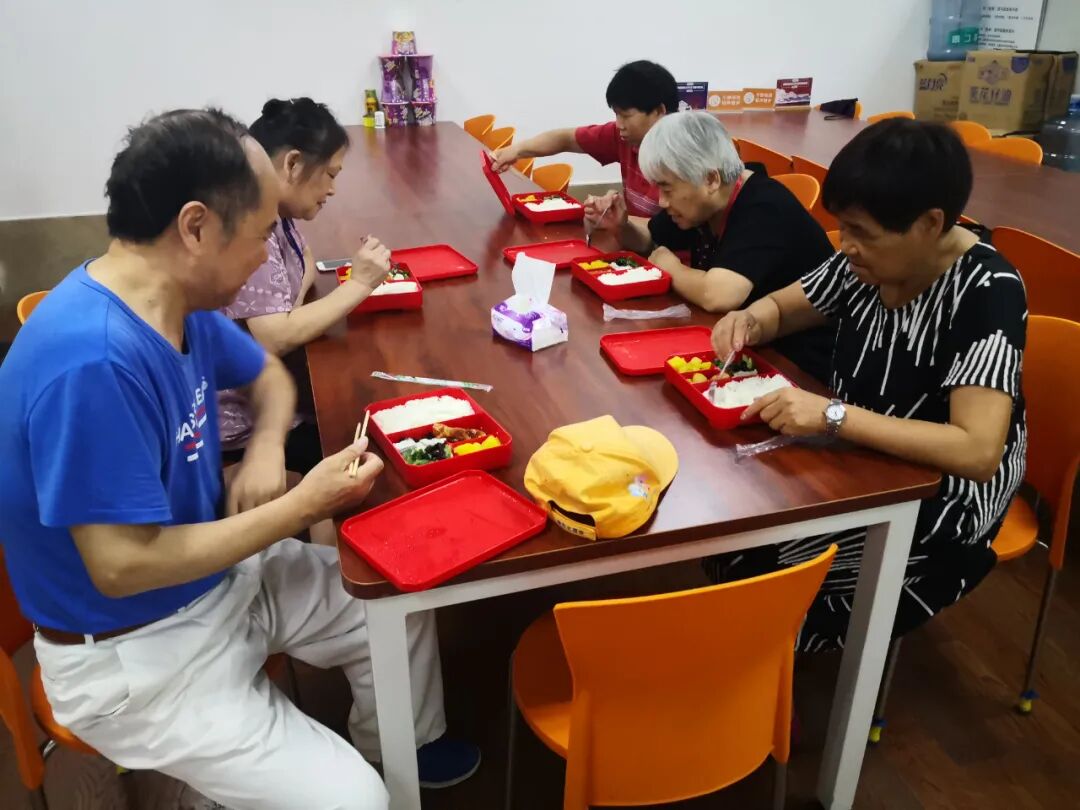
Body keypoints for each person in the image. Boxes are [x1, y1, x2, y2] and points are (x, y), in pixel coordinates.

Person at [0, 108, 479, 810]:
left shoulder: (176, 301)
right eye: (259, 235)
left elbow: (268, 377)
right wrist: (301, 505)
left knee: (393, 605)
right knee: (355, 802)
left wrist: (263, 447)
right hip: (137, 651)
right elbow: (122, 566)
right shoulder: (92, 362)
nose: (264, 259)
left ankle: (397, 752)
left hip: (215, 582)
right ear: (196, 228)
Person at [706, 118, 1027, 651]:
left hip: (940, 498)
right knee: (733, 532)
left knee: (765, 578)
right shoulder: (865, 264)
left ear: (930, 224)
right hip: (860, 458)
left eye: (862, 233)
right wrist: (751, 319)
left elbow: (976, 451)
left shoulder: (986, 290)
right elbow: (783, 308)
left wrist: (833, 416)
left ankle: (774, 666)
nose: (847, 246)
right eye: (844, 229)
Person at [587, 111, 836, 383]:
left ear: (711, 179)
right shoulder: (705, 201)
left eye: (667, 189)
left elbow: (719, 294)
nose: (661, 201)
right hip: (745, 346)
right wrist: (621, 226)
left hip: (801, 367)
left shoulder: (765, 207)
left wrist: (670, 267)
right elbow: (650, 239)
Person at [220, 97, 391, 475]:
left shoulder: (277, 214)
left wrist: (289, 310)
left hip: (275, 397)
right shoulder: (253, 226)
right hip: (247, 427)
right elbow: (274, 337)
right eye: (330, 174)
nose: (332, 190)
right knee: (372, 442)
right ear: (293, 164)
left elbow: (307, 261)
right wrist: (359, 284)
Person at [488, 60, 678, 218]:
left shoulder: (682, 159)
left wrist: (618, 219)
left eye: (626, 116)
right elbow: (564, 139)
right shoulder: (622, 137)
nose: (619, 124)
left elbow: (669, 232)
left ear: (658, 111)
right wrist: (517, 150)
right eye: (617, 115)